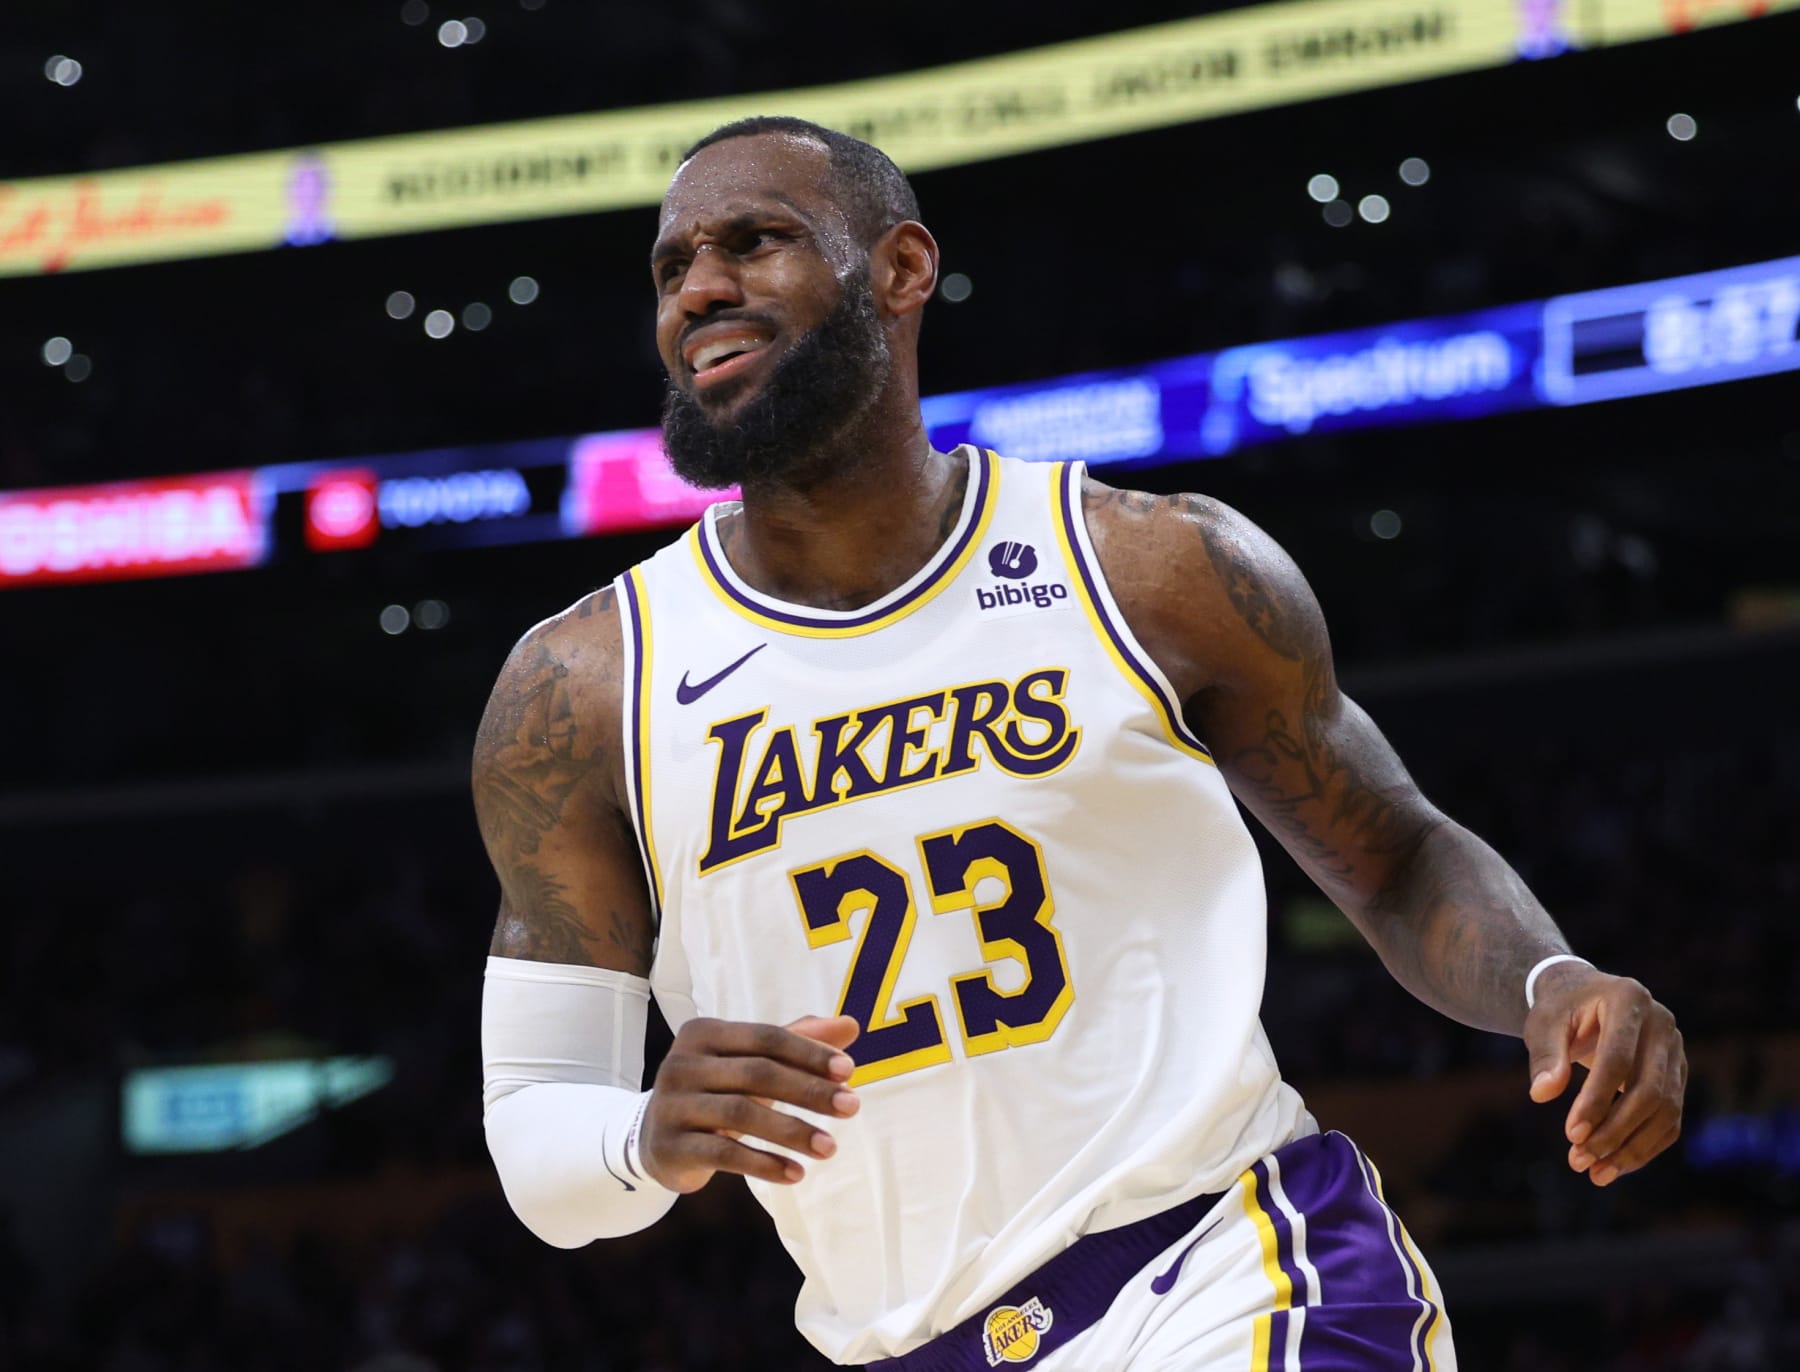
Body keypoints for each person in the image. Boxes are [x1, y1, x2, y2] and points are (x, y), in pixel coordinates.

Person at [474, 116, 1686, 1370]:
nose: (702, 289)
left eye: (755, 243)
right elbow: (538, 1133)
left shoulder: (1148, 567)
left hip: (1225, 1269)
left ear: (899, 269)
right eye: (674, 268)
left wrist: (1554, 983)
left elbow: (1394, 855)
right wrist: (647, 1139)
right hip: (913, 1344)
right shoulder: (581, 691)